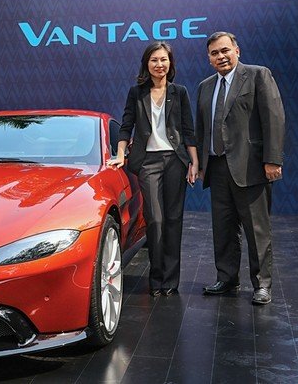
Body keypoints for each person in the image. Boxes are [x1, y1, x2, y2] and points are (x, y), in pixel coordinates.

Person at [195, 32, 285, 305]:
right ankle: (227, 278)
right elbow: (202, 128)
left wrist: (273, 159)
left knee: (257, 229)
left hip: (251, 167)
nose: (221, 56)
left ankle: (262, 284)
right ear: (209, 59)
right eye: (214, 53)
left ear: (237, 50)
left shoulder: (258, 75)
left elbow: (274, 117)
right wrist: (201, 163)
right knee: (222, 228)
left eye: (225, 50)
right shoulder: (205, 86)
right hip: (217, 167)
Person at [110, 42, 198, 297]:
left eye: (164, 59)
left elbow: (188, 129)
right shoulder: (136, 92)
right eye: (154, 60)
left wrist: (194, 163)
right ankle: (156, 278)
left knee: (174, 220)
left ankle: (170, 281)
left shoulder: (179, 92)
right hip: (148, 161)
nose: (159, 64)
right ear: (146, 64)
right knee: (156, 221)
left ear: (170, 63)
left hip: (175, 160)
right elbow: (126, 125)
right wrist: (120, 154)